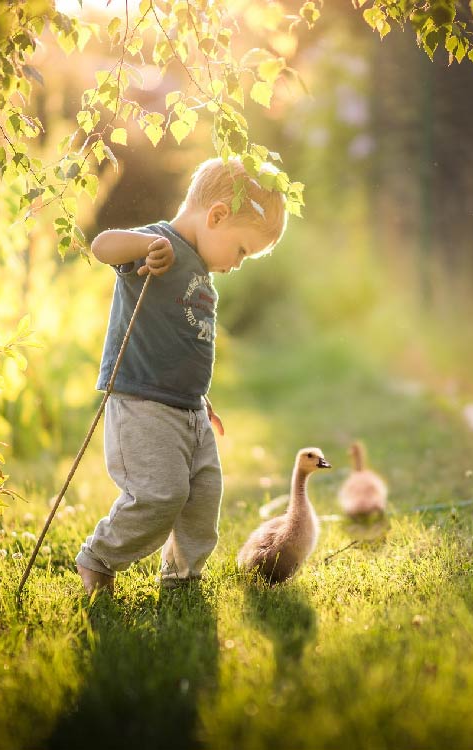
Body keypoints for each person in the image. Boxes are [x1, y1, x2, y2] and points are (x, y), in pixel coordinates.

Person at [75, 157, 287, 595]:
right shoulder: (159, 243)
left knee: (203, 497)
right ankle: (99, 558)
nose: (239, 263)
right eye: (243, 250)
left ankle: (182, 576)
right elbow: (102, 246)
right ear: (217, 216)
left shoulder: (203, 273)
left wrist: (200, 396)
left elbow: (185, 340)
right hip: (143, 402)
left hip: (188, 408)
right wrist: (142, 247)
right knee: (160, 495)